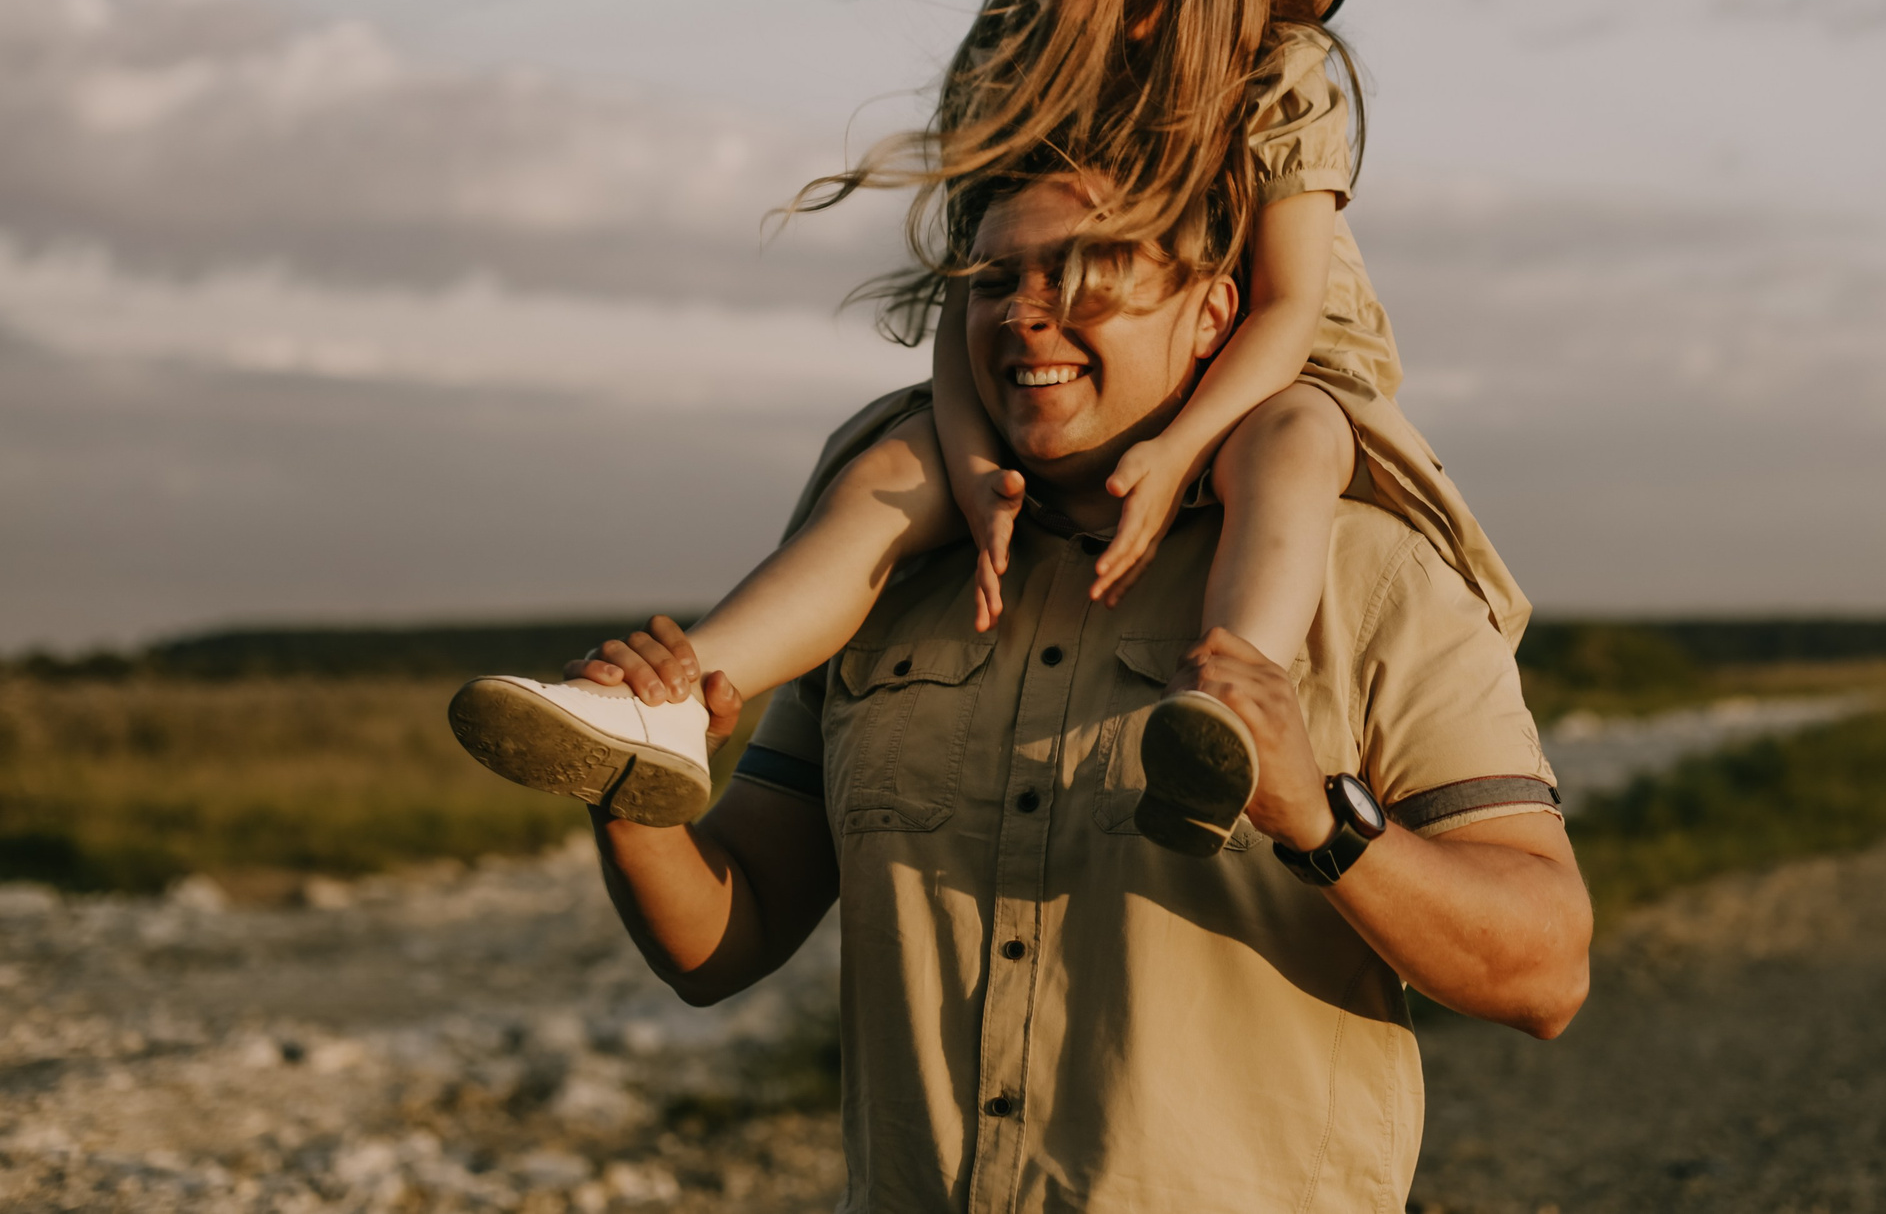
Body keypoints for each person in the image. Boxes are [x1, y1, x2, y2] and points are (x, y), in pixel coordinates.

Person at [448, 0, 1528, 854]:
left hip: (1266, 370)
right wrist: (968, 461)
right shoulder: (1009, 69)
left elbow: (1284, 307)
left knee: (1296, 440)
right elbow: (970, 300)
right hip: (1061, 360)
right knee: (890, 465)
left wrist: (1175, 451)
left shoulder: (1278, 69)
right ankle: (673, 701)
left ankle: (1229, 699)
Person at [585, 167, 1590, 1212]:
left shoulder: (1369, 576)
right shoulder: (876, 585)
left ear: (1213, 316)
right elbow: (721, 945)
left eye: (1084, 275)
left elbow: (1545, 974)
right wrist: (634, 793)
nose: (1026, 314)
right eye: (991, 280)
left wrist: (1316, 820)